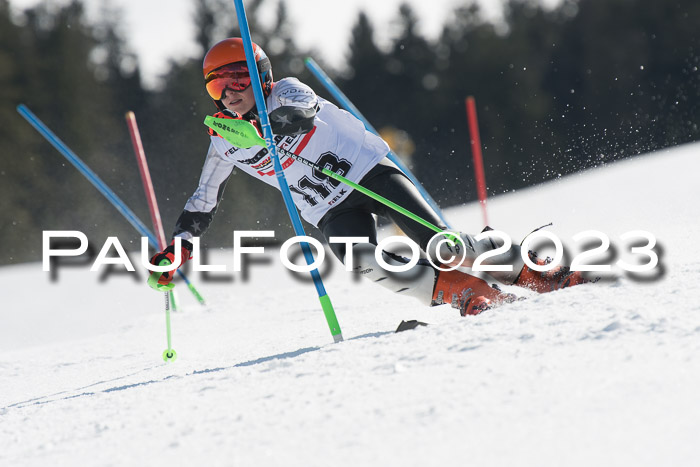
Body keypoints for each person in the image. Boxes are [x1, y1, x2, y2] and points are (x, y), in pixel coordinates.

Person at [149, 37, 590, 316]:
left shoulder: (286, 91)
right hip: (329, 209)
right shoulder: (224, 139)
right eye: (216, 86)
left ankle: (528, 269)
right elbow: (202, 200)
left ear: (260, 76)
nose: (229, 92)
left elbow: (300, 118)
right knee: (362, 260)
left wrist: (261, 129)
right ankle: (463, 291)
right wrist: (181, 246)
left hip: (368, 173)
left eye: (238, 78)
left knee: (442, 245)